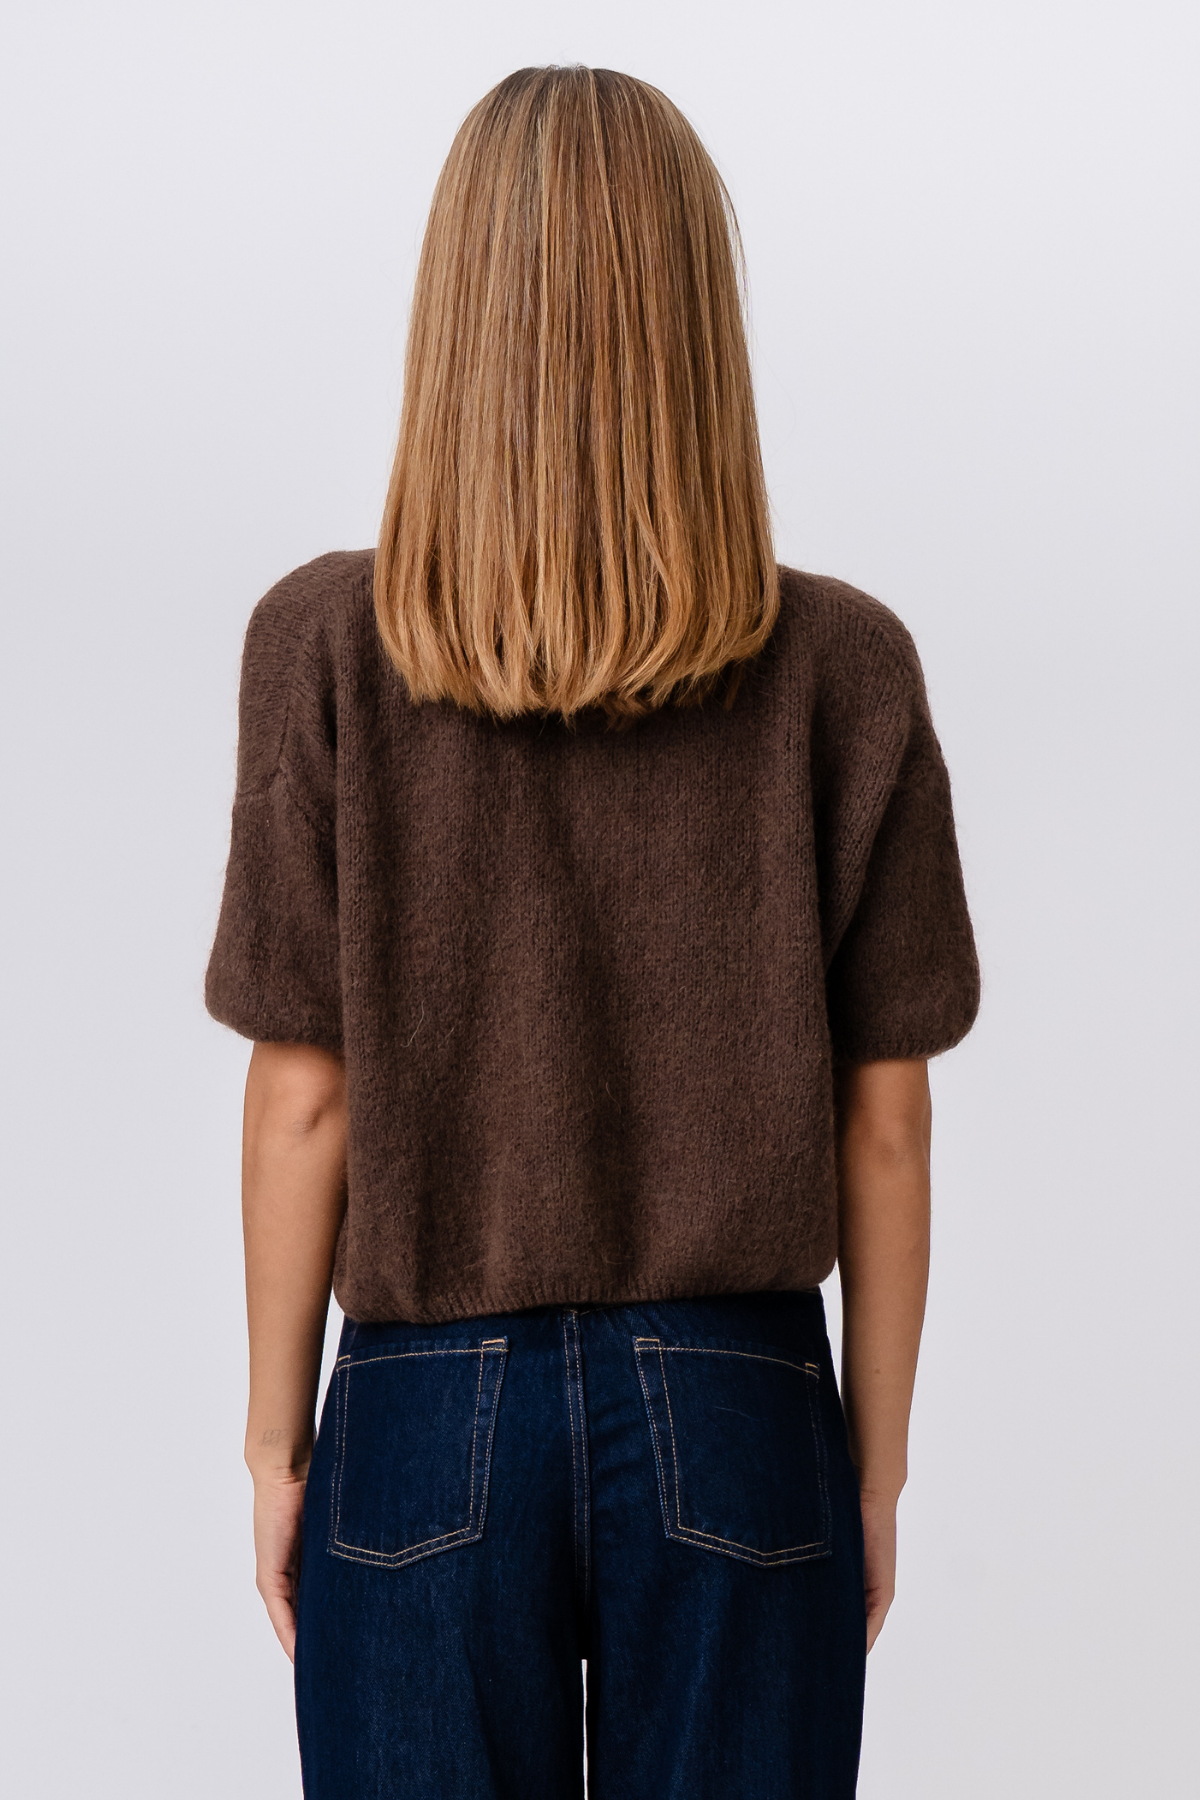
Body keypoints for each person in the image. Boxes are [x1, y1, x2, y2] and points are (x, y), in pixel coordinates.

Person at [206, 64, 980, 1800]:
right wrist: (873, 1468)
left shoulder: (321, 649)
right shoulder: (845, 669)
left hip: (420, 1412)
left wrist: (275, 1445)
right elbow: (886, 1123)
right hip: (742, 1407)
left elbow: (302, 1098)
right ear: (700, 325)